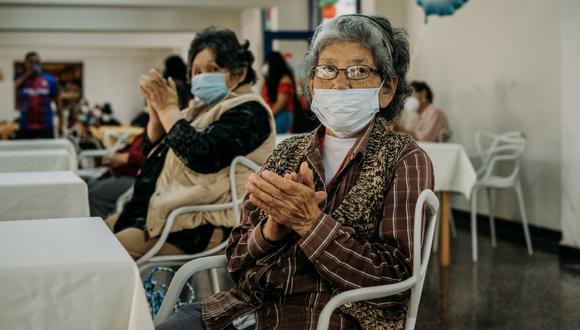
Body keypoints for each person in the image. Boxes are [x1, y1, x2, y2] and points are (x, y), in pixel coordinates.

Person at [157, 14, 434, 330]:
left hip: (328, 316)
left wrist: (310, 224)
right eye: (327, 70)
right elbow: (235, 258)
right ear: (313, 84)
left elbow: (397, 279)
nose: (340, 83)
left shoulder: (404, 157)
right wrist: (271, 230)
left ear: (387, 89)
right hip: (243, 309)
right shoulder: (288, 151)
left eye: (359, 71)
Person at [105, 27, 275, 260]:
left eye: (212, 69)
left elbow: (202, 155)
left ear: (240, 73)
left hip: (198, 225)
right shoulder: (199, 110)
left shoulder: (250, 111)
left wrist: (168, 110)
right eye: (196, 71)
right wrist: (156, 117)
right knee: (92, 238)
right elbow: (156, 156)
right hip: (159, 215)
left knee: (103, 256)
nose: (201, 77)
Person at [88, 132, 147, 219]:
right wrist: (115, 157)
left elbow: (152, 158)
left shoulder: (162, 131)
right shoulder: (148, 132)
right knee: (88, 185)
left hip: (140, 178)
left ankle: (99, 229)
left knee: (94, 196)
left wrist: (126, 158)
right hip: (123, 173)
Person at [14, 52, 63, 138]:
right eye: (31, 62)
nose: (34, 64)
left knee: (47, 151)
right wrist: (28, 73)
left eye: (37, 62)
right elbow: (16, 86)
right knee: (25, 150)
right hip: (26, 125)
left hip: (46, 125)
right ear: (26, 64)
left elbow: (58, 103)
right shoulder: (21, 79)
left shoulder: (50, 80)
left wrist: (61, 124)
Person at [261, 51, 300, 134]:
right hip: (272, 115)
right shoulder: (270, 80)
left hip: (281, 116)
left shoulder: (285, 80)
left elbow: (280, 104)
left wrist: (266, 116)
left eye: (267, 63)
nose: (265, 66)